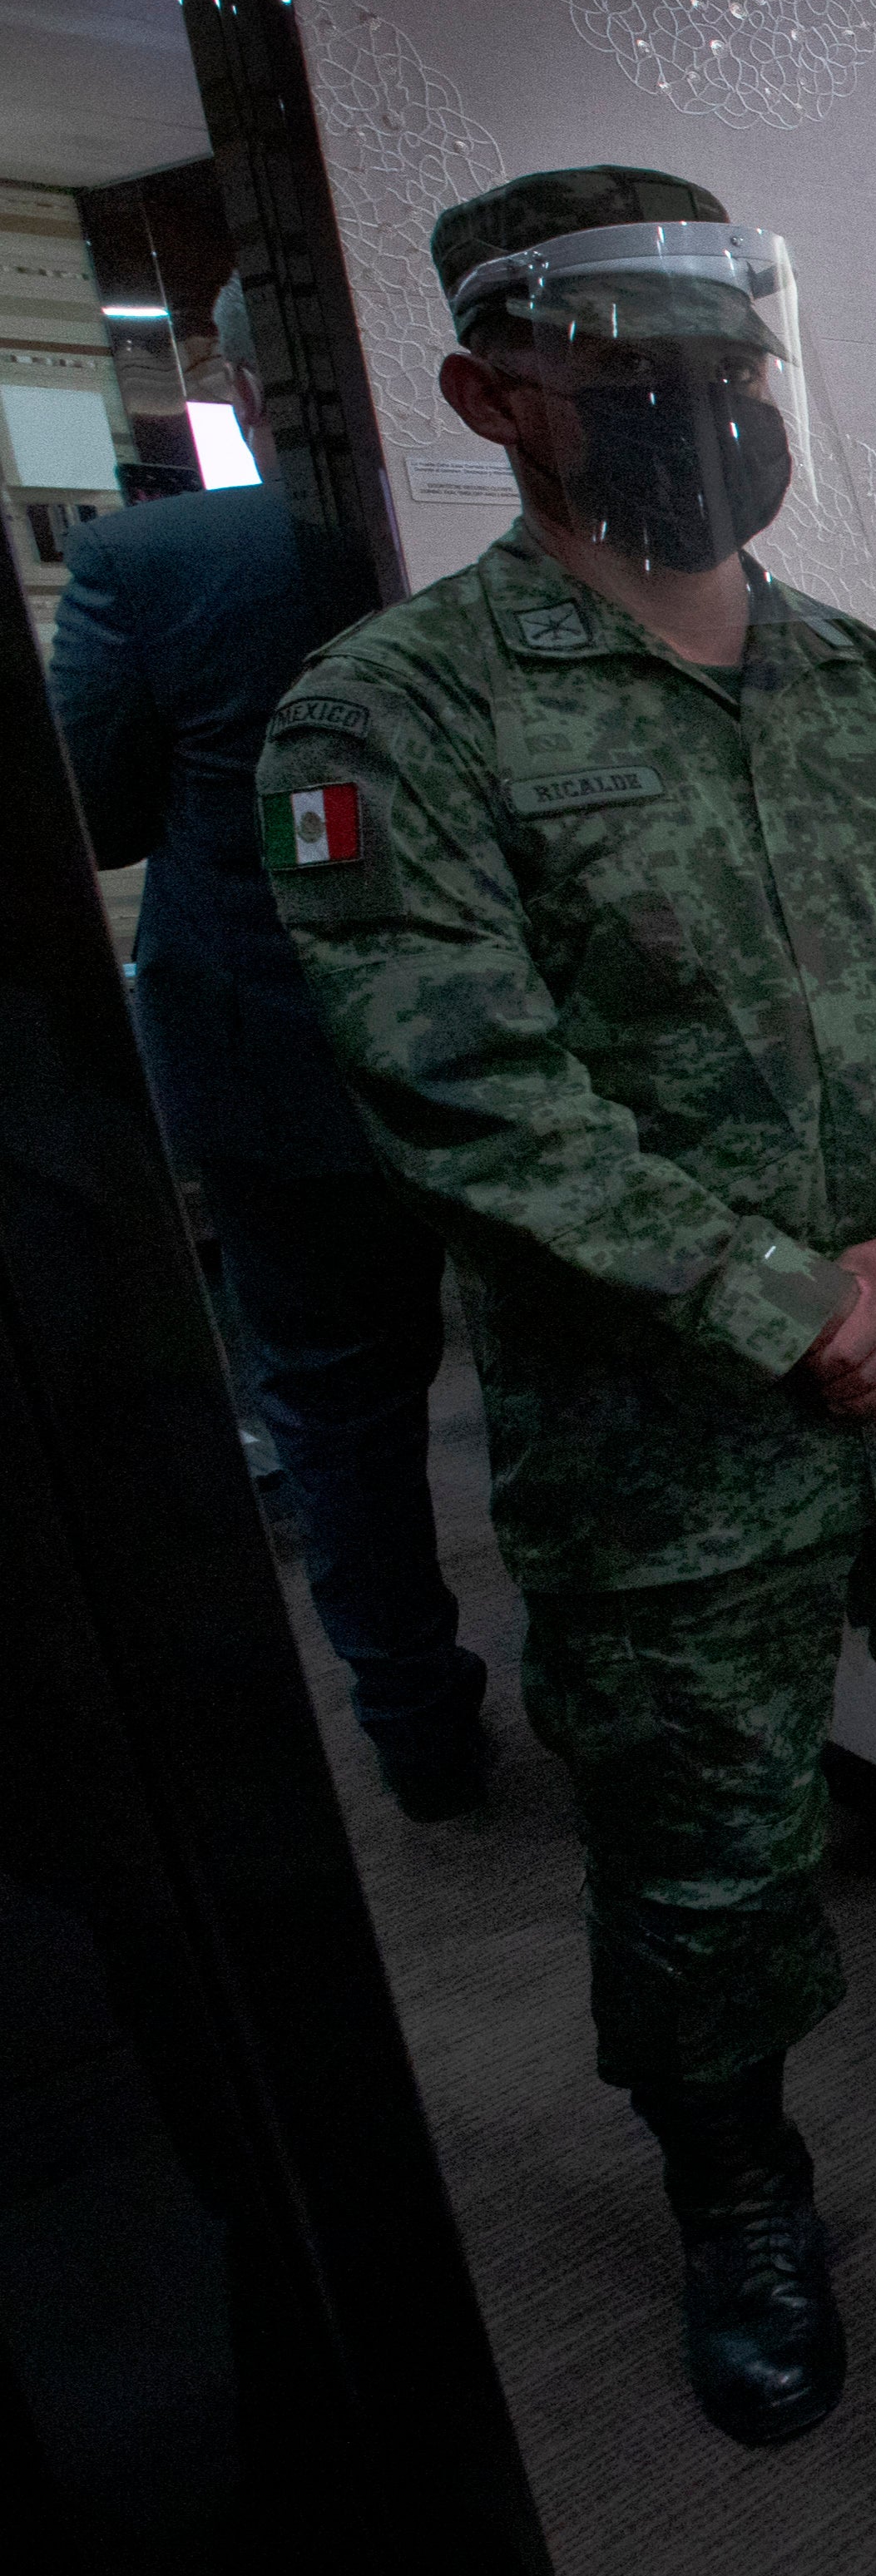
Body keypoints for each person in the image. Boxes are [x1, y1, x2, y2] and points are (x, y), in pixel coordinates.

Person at [255, 166, 876, 2451]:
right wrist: (793, 1302)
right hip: (670, 1432)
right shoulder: (395, 716)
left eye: (732, 356)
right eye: (634, 364)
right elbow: (466, 1092)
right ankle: (740, 2194)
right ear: (496, 392)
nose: (703, 404)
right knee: (700, 1850)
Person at [53, 274, 492, 1820]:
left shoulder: (155, 559)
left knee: (334, 1402)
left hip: (276, 1037)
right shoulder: (515, 539)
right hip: (512, 1031)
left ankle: (417, 1728)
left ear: (237, 383)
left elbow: (88, 816)